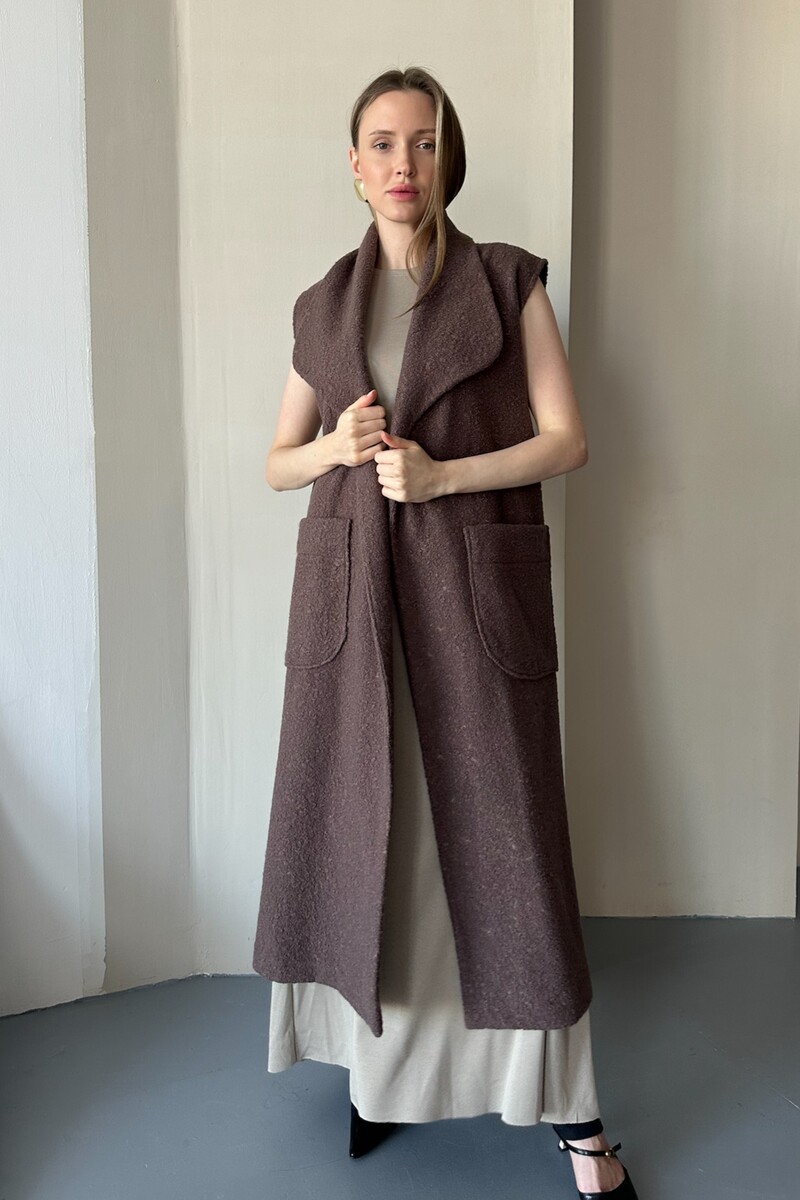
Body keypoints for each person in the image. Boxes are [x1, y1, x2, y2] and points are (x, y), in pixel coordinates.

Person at [257, 67, 639, 1199]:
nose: (402, 164)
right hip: (353, 603)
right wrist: (332, 449)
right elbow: (275, 463)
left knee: (502, 838)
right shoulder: (320, 306)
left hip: (470, 597)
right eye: (382, 143)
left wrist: (442, 477)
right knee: (368, 836)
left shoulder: (507, 281)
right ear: (353, 163)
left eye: (422, 143)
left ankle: (573, 1118)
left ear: (446, 157)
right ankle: (379, 1080)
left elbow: (567, 440)